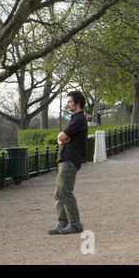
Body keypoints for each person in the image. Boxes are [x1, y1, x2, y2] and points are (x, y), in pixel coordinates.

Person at [48, 90, 88, 235]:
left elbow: (62, 136)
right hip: (65, 158)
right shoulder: (75, 119)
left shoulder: (79, 120)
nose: (67, 104)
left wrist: (61, 138)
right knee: (58, 193)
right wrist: (61, 139)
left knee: (65, 192)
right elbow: (61, 138)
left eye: (70, 101)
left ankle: (75, 224)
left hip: (70, 159)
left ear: (77, 104)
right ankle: (62, 224)